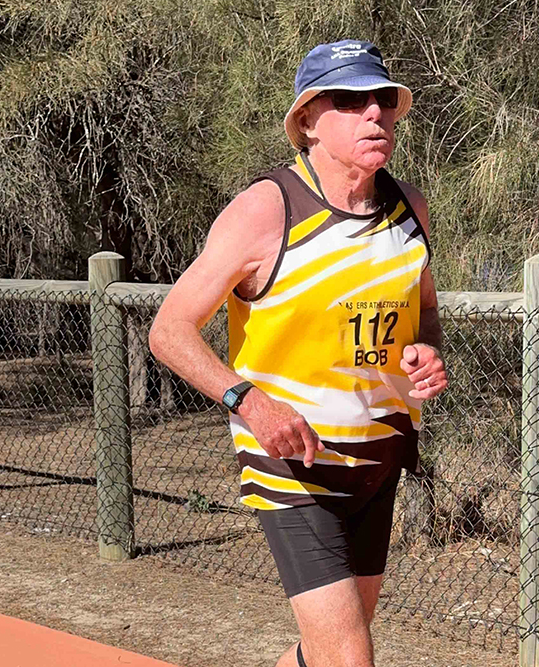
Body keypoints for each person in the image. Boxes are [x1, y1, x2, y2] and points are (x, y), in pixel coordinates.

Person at [149, 39, 447, 667]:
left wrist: (427, 349)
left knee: (327, 650)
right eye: (351, 100)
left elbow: (422, 304)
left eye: (384, 101)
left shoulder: (408, 208)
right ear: (308, 121)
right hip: (292, 464)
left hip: (379, 460)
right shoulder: (267, 210)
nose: (376, 114)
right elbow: (169, 330)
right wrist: (248, 402)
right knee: (349, 657)